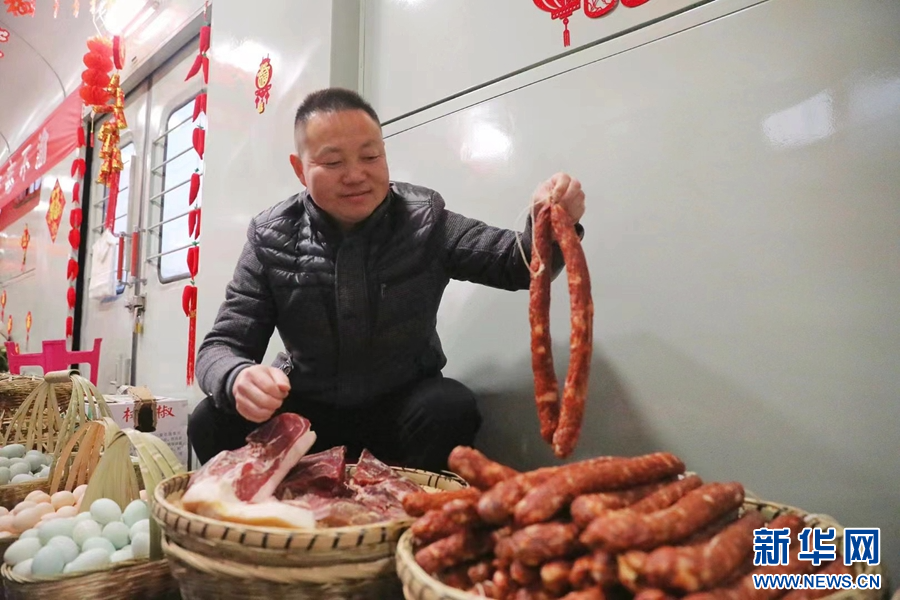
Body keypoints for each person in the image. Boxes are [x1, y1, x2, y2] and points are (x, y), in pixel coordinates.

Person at [188, 87, 586, 473]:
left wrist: (550, 221)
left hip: (399, 412)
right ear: (300, 169)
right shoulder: (270, 236)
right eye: (333, 162)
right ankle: (277, 510)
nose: (355, 175)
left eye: (370, 156)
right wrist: (237, 377)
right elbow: (220, 347)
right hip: (308, 417)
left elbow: (516, 263)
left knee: (450, 407)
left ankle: (404, 511)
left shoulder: (425, 219)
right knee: (210, 419)